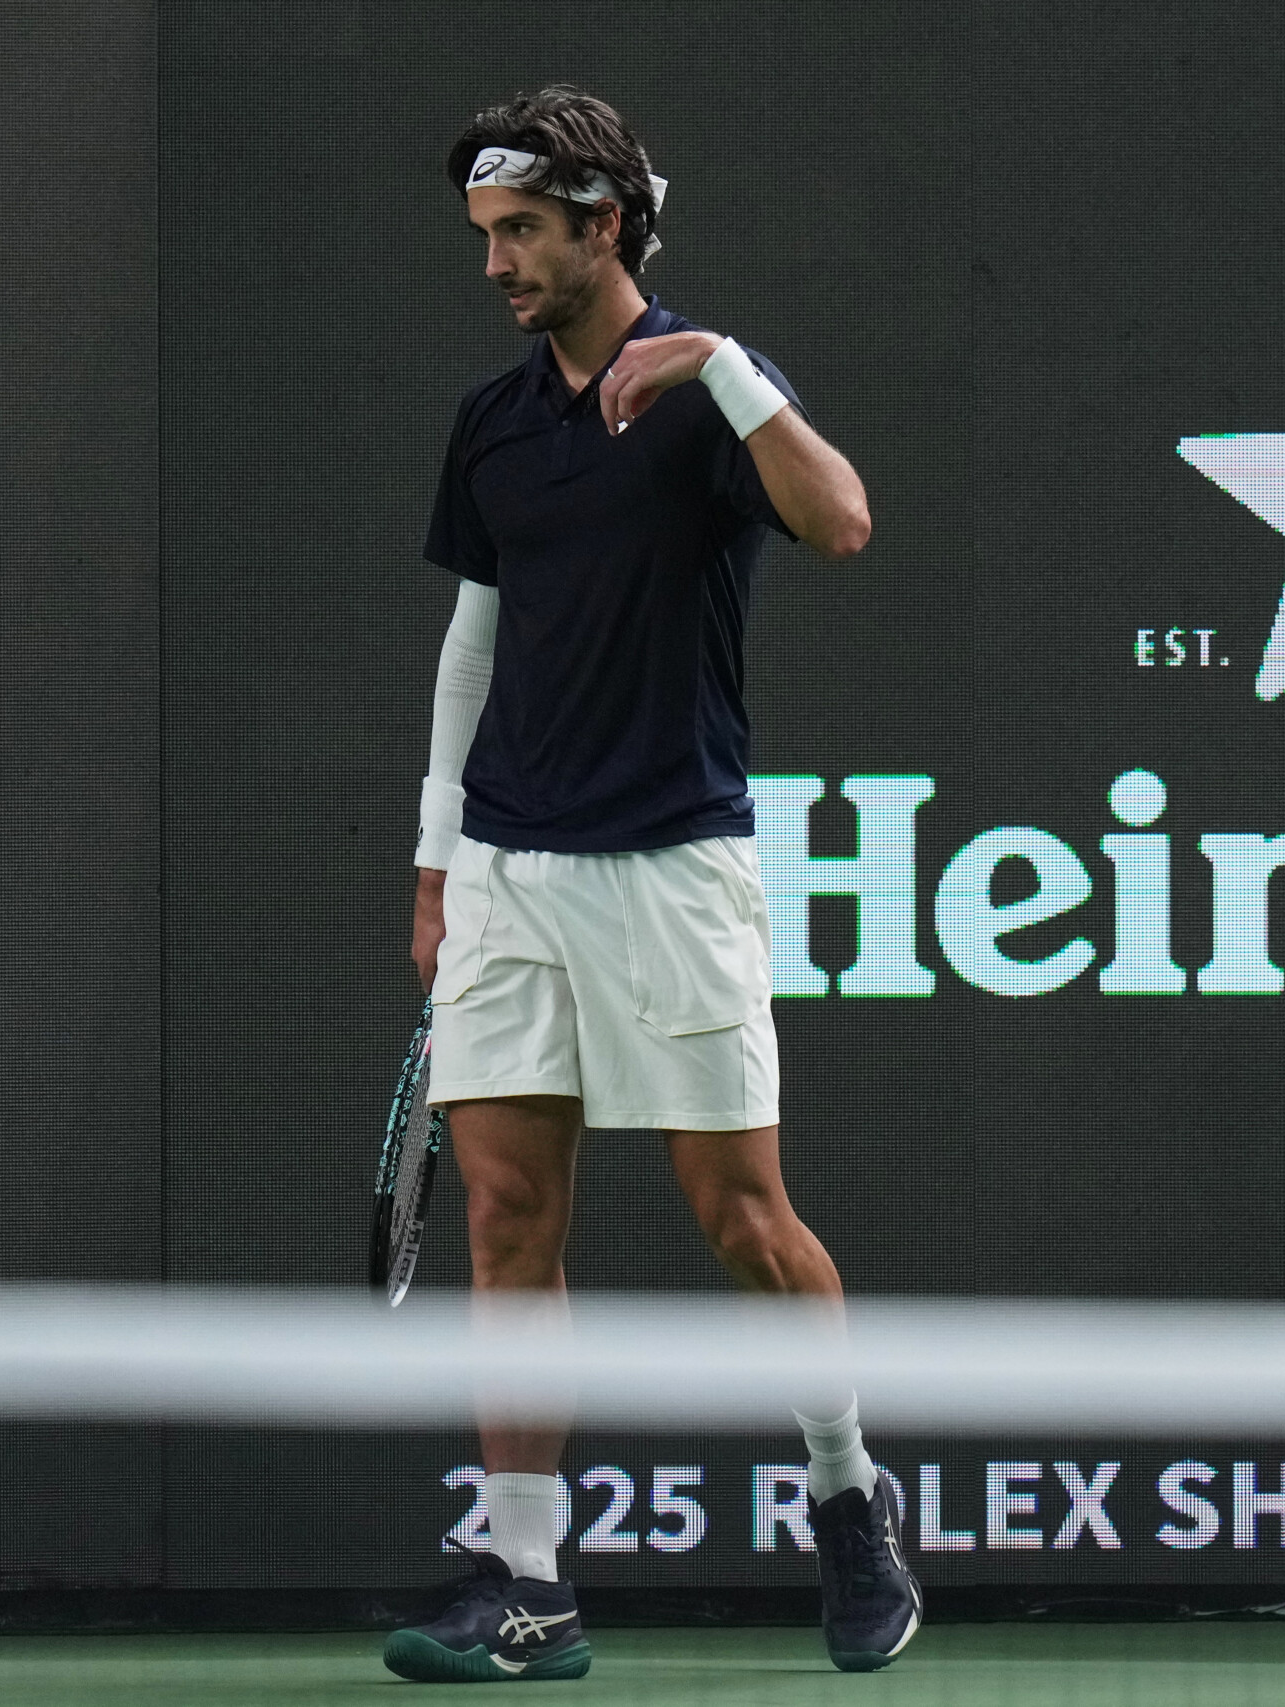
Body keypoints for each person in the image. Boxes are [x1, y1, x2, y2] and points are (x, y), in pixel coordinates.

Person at [380, 84, 919, 1684]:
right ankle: (529, 1581)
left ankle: (846, 1493)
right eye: (487, 237)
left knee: (742, 1221)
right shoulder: (492, 425)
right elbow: (473, 644)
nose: (498, 266)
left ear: (608, 224)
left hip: (675, 867)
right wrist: (434, 862)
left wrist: (729, 369)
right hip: (506, 871)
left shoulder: (706, 398)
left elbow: (843, 523)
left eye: (525, 233)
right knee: (506, 1217)